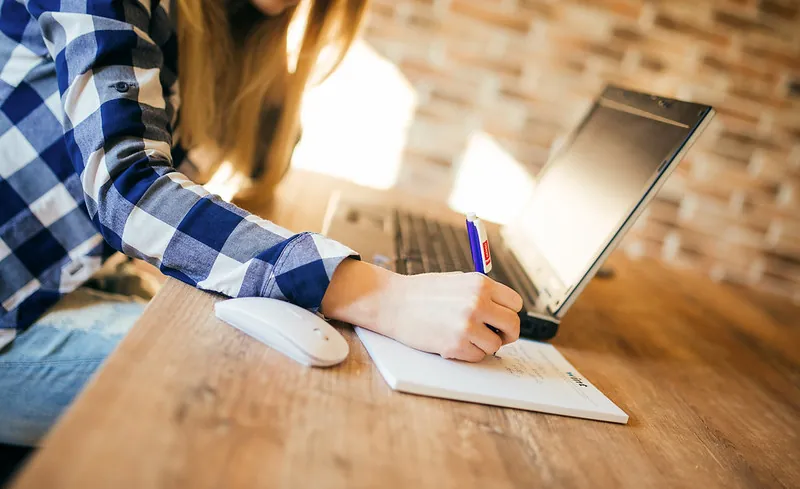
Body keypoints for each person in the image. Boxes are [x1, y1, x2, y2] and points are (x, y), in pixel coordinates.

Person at [0, 0, 522, 447]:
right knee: (269, 385)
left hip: (59, 287)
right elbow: (127, 190)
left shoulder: (236, 31)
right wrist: (388, 298)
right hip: (11, 320)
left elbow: (253, 168)